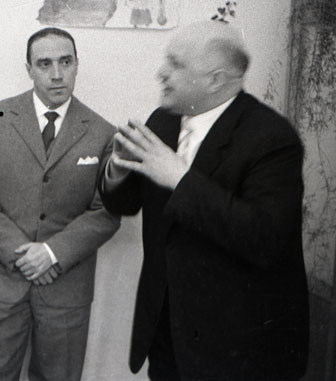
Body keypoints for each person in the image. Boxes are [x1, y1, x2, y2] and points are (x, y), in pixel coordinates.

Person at [99, 20, 309, 380]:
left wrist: (180, 179)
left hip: (236, 348)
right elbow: (127, 204)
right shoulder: (163, 121)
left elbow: (264, 238)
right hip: (167, 336)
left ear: (215, 80)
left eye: (176, 64)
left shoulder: (272, 138)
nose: (161, 73)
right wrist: (117, 170)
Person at [0, 27, 120, 381]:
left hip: (66, 289)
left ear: (77, 64)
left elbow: (107, 212)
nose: (57, 74)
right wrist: (26, 255)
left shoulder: (103, 132)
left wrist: (51, 253)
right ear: (29, 69)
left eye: (66, 62)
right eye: (45, 64)